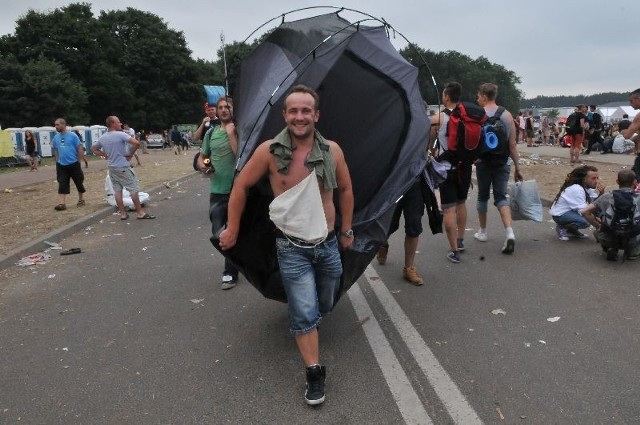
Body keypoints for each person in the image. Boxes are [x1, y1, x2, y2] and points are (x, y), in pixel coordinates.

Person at [219, 85, 354, 406]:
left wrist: (347, 229)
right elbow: (241, 185)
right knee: (305, 311)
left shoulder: (332, 151)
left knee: (326, 299)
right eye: (293, 111)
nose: (299, 116)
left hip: (328, 243)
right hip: (291, 246)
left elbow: (346, 190)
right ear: (284, 115)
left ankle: (308, 317)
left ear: (316, 115)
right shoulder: (268, 151)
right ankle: (314, 370)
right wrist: (233, 227)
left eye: (306, 110)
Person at [474, 83, 524, 254]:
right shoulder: (507, 115)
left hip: (483, 162)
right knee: (501, 197)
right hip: (502, 163)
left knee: (482, 197)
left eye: (478, 96)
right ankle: (509, 233)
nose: (477, 98)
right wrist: (518, 167)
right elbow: (512, 145)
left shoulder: (478, 115)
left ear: (484, 96)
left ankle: (482, 231)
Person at [196, 97, 240, 290]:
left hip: (238, 191)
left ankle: (230, 272)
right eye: (220, 107)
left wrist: (231, 134)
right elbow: (203, 157)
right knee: (218, 233)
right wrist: (205, 167)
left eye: (227, 107)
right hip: (218, 191)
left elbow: (241, 156)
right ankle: (235, 265)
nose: (223, 110)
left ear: (233, 109)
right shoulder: (211, 133)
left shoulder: (240, 130)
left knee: (235, 232)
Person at [428, 81, 472, 263]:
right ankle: (460, 240)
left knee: (448, 210)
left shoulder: (440, 117)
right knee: (461, 204)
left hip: (446, 169)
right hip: (465, 167)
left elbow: (430, 142)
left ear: (446, 96)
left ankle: (454, 250)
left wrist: (431, 150)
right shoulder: (467, 115)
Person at [91, 116, 156, 220]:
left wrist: (104, 154)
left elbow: (93, 149)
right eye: (118, 122)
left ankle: (123, 214)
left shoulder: (103, 137)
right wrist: (130, 154)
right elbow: (136, 143)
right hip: (123, 166)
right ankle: (140, 212)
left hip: (112, 168)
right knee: (133, 189)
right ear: (112, 124)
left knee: (117, 191)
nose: (120, 124)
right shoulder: (121, 135)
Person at [581, 169, 640, 261]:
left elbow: (585, 211)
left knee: (601, 229)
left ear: (617, 181)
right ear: (635, 182)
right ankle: (633, 252)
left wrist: (598, 226)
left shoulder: (608, 196)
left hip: (610, 235)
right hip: (632, 236)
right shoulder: (638, 197)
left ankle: (611, 247)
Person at [375, 180, 426, 285]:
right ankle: (383, 244)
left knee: (414, 226)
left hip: (415, 184)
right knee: (388, 224)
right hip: (394, 183)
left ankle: (409, 268)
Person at [549, 165, 604, 240]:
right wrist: (599, 227)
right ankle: (563, 226)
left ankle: (571, 230)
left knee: (595, 215)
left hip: (573, 211)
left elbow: (593, 204)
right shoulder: (577, 189)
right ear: (584, 179)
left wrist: (601, 193)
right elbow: (585, 211)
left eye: (597, 178)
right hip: (561, 214)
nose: (597, 181)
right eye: (593, 178)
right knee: (586, 221)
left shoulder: (587, 187)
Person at [51, 118, 87, 211]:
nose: (56, 127)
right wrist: (57, 161)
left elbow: (79, 148)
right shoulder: (56, 137)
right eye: (55, 125)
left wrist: (78, 160)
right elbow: (56, 149)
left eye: (57, 125)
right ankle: (61, 203)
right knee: (62, 183)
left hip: (73, 163)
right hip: (61, 165)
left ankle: (81, 199)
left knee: (78, 182)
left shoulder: (73, 135)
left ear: (63, 125)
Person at [621, 89, 640, 179]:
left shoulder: (639, 116)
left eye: (631, 101)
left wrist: (625, 132)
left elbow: (627, 135)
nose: (630, 104)